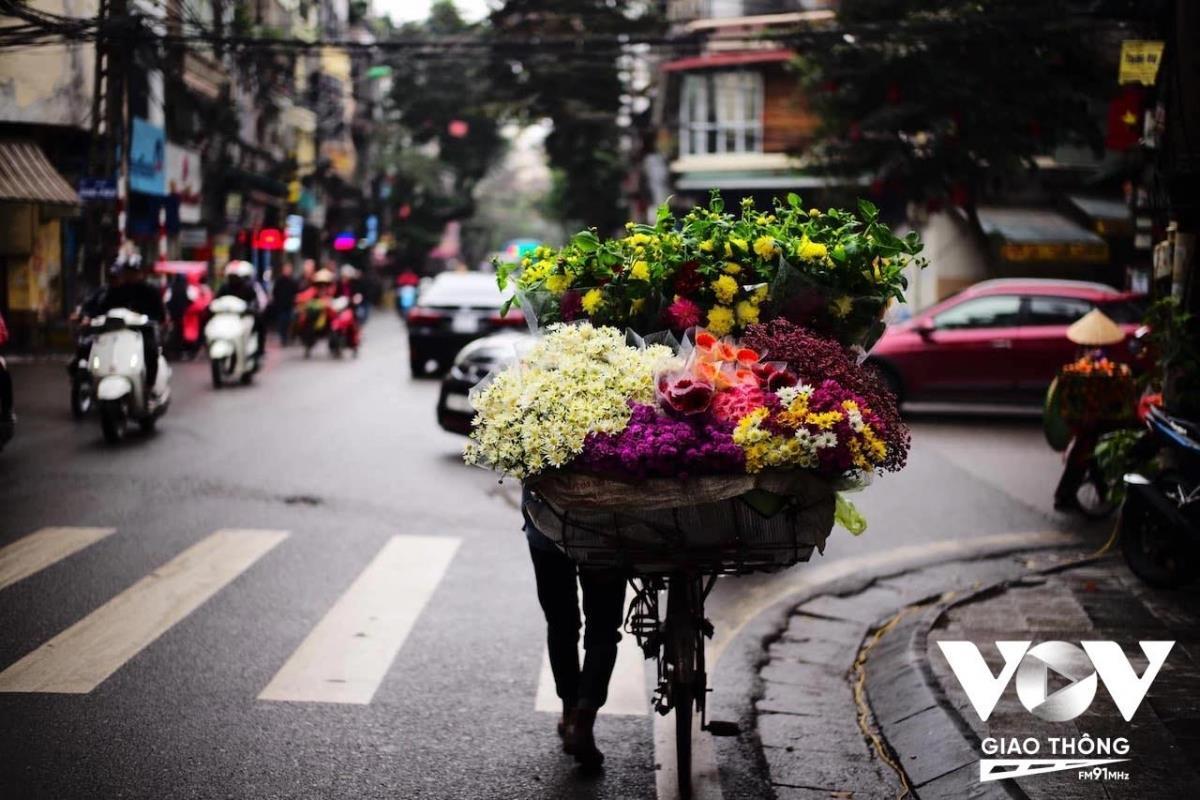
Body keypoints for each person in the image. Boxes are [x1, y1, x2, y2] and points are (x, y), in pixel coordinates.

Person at [522, 488, 626, 769]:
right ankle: (582, 721)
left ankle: (570, 712)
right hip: (606, 528)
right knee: (603, 628)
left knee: (561, 623)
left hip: (547, 525)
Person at [99, 253, 166, 395]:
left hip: (142, 332)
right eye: (128, 272)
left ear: (141, 272)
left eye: (134, 272)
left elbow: (160, 315)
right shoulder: (116, 291)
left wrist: (147, 319)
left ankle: (149, 386)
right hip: (117, 332)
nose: (130, 276)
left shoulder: (151, 292)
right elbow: (103, 309)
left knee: (151, 350)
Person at [216, 260, 266, 356]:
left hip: (243, 317)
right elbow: (216, 300)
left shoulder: (250, 287)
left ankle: (259, 350)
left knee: (260, 323)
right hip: (227, 317)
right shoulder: (224, 287)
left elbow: (258, 302)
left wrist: (253, 309)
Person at [271, 263, 299, 345]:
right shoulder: (279, 281)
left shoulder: (293, 281)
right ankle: (283, 338)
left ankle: (287, 337)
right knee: (282, 322)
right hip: (281, 306)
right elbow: (275, 292)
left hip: (290, 306)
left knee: (289, 322)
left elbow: (296, 293)